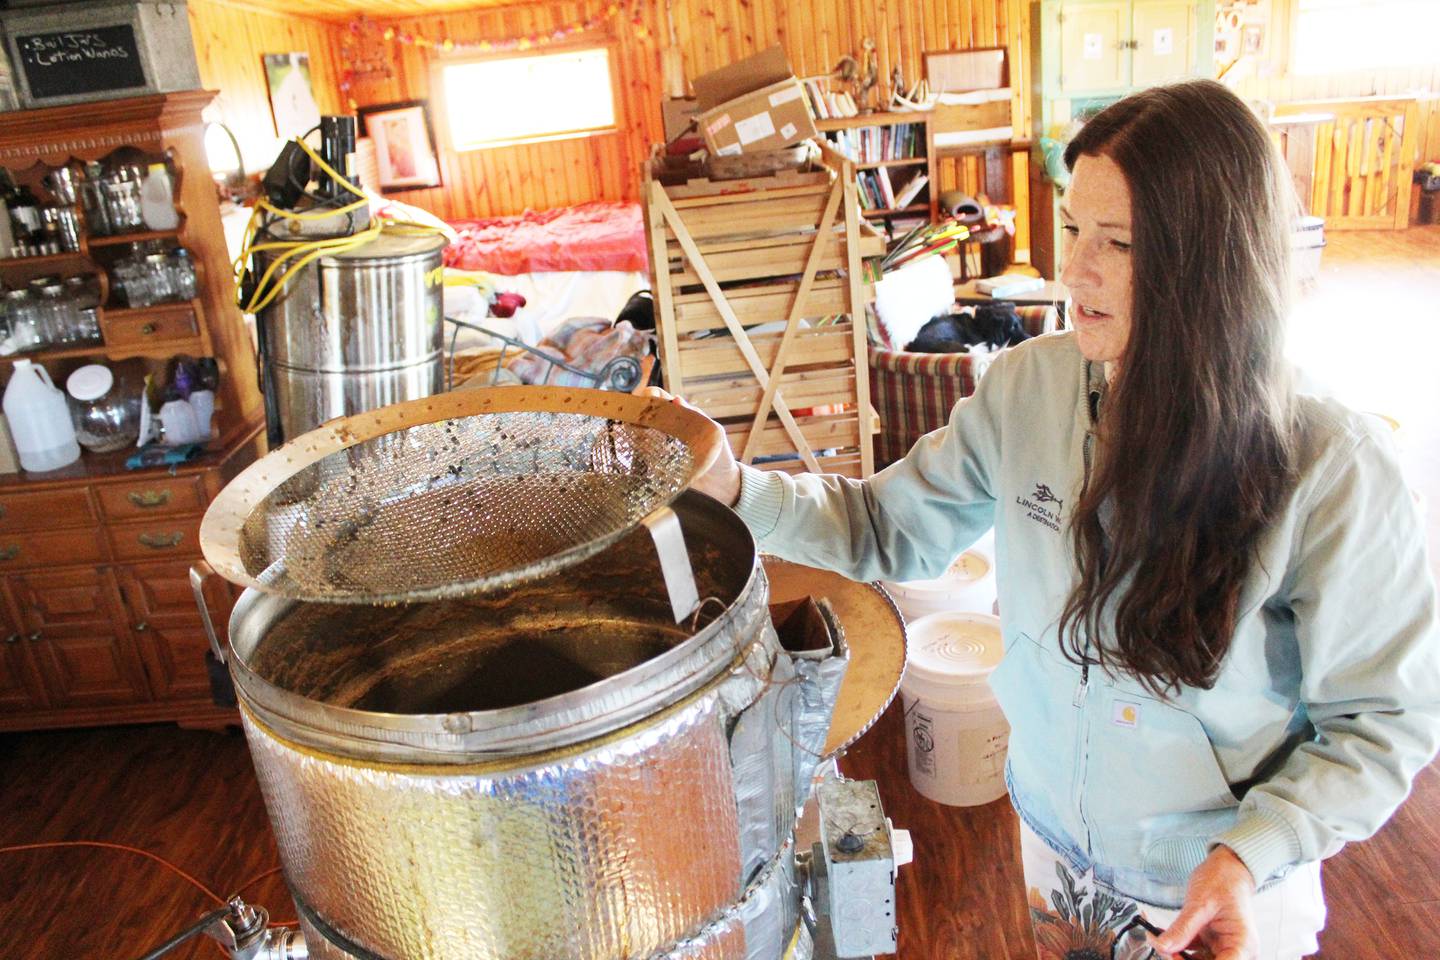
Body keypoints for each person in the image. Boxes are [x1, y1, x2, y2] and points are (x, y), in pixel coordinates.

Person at [652, 79, 1440, 960]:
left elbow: (1385, 718)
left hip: (1220, 887)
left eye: (1121, 242)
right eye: (1072, 227)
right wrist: (729, 490)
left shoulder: (1331, 464)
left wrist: (1249, 854)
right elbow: (884, 525)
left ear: (1213, 262)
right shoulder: (1030, 387)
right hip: (1054, 839)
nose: (1077, 268)